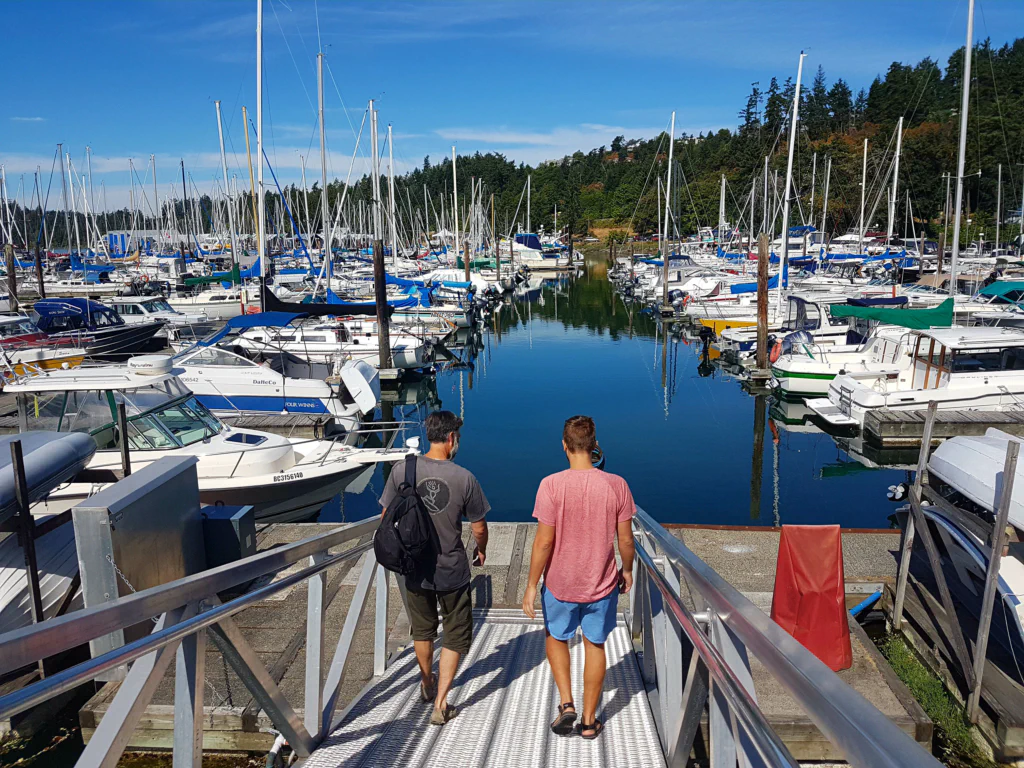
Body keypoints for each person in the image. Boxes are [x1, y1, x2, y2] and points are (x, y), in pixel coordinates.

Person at [522, 415, 635, 740]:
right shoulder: (617, 485)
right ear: (594, 444)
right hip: (601, 584)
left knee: (557, 637)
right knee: (595, 644)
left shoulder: (550, 485)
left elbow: (544, 542)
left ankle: (566, 703)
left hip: (560, 584)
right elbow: (626, 540)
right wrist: (627, 570)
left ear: (564, 445)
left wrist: (531, 585)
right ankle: (588, 721)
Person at [380, 410, 489, 726]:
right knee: (454, 632)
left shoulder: (402, 470)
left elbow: (386, 516)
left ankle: (427, 681)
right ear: (452, 438)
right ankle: (441, 703)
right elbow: (479, 528)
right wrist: (481, 550)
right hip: (451, 569)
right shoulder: (464, 478)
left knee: (423, 630)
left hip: (415, 567)